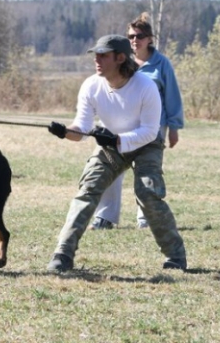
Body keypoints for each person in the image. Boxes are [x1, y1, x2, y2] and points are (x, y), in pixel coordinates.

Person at [46, 34, 187, 272]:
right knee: (88, 189)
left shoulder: (146, 86)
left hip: (146, 144)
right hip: (110, 146)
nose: (97, 60)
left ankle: (176, 256)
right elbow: (81, 130)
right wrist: (64, 132)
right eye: (96, 55)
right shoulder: (91, 85)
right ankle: (63, 254)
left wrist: (118, 138)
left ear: (120, 58)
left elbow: (151, 131)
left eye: (103, 56)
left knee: (148, 193)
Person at [90, 13, 184, 230]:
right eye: (131, 36)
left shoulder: (161, 64)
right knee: (111, 169)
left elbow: (172, 96)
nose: (135, 40)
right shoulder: (122, 60)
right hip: (120, 123)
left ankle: (145, 217)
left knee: (146, 172)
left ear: (150, 38)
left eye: (139, 36)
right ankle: (105, 217)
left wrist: (174, 127)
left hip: (151, 126)